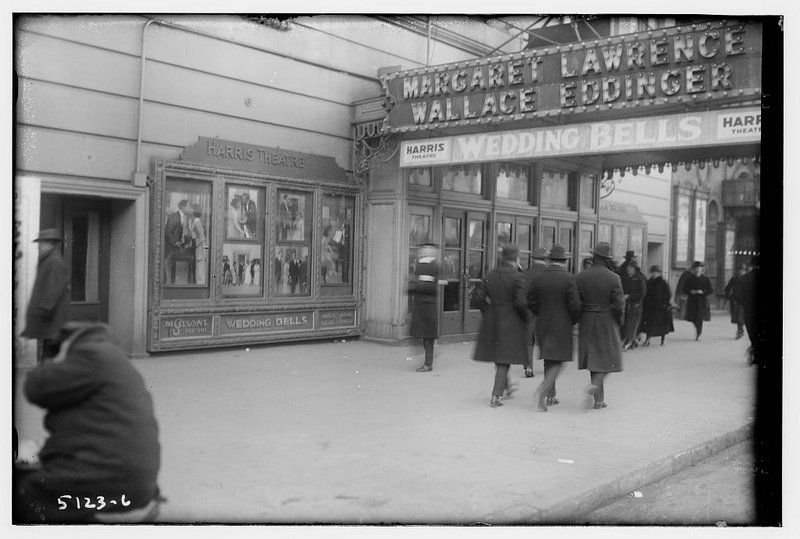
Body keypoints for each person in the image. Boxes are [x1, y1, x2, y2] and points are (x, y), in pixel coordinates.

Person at [14, 322, 161, 523]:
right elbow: (88, 427)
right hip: (138, 485)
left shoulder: (87, 354)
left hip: (106, 484)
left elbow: (35, 388)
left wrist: (57, 359)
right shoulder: (111, 357)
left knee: (20, 493)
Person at [525, 244, 581, 411]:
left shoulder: (539, 277)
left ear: (549, 260)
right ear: (564, 261)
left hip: (542, 323)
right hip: (562, 324)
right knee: (559, 361)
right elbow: (575, 305)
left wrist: (540, 313)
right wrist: (572, 320)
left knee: (549, 359)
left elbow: (531, 301)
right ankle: (543, 391)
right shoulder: (569, 278)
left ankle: (551, 395)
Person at [472, 244, 528, 407]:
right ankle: (496, 395)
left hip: (492, 317)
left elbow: (477, 298)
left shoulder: (490, 275)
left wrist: (488, 311)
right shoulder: (518, 277)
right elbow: (520, 302)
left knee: (501, 354)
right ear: (516, 259)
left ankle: (507, 386)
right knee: (504, 357)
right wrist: (524, 318)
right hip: (511, 319)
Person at [575, 242, 625, 410]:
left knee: (594, 359)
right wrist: (619, 322)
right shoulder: (613, 278)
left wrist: (579, 317)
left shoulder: (581, 276)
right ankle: (594, 387)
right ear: (607, 259)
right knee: (611, 357)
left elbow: (575, 302)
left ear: (593, 257)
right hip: (606, 319)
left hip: (587, 319)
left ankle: (598, 400)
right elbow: (619, 305)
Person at [21, 228, 71, 362]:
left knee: (50, 350)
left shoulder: (53, 261)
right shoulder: (49, 259)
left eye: (42, 243)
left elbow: (54, 288)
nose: (39, 247)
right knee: (49, 348)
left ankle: (48, 373)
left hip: (52, 316)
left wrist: (45, 308)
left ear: (51, 244)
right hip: (50, 315)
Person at [409, 243, 441, 372]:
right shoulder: (422, 264)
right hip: (423, 304)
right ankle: (428, 362)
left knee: (428, 336)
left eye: (425, 249)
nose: (421, 251)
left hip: (427, 305)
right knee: (425, 335)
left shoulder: (432, 266)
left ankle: (428, 363)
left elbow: (429, 287)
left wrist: (415, 286)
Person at [518, 247, 548, 378]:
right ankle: (548, 366)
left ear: (533, 259)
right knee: (546, 338)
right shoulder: (548, 274)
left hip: (528, 310)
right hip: (545, 311)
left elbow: (520, 295)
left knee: (528, 339)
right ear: (546, 259)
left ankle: (529, 367)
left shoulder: (525, 274)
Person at [639, 265, 675, 346]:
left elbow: (668, 294)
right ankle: (647, 339)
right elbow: (645, 293)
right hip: (650, 306)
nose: (654, 274)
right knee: (648, 324)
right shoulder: (649, 282)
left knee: (661, 325)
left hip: (660, 307)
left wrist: (663, 302)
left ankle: (662, 340)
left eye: (656, 272)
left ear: (659, 273)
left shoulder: (663, 283)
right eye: (653, 272)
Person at [682, 261, 713, 340]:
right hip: (692, 301)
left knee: (699, 317)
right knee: (692, 317)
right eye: (696, 268)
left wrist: (702, 292)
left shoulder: (705, 279)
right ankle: (698, 329)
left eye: (699, 268)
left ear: (702, 269)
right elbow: (684, 289)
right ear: (694, 269)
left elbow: (710, 290)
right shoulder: (689, 279)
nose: (698, 269)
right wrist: (690, 291)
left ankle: (699, 331)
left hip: (702, 301)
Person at [164, 200, 192, 284]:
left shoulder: (186, 217)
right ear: (183, 207)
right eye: (188, 206)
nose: (189, 208)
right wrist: (175, 242)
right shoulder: (174, 217)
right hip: (170, 248)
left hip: (178, 247)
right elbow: (167, 232)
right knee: (168, 270)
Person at [620, 262, 647, 350]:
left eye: (630, 268)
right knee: (627, 324)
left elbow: (642, 293)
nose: (628, 270)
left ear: (634, 269)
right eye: (628, 268)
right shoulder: (626, 278)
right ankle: (631, 341)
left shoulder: (639, 279)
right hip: (626, 304)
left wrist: (629, 296)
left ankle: (629, 341)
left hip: (635, 305)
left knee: (632, 324)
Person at [738, 256, 759, 365]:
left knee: (753, 333)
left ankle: (754, 352)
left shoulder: (744, 278)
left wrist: (745, 303)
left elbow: (739, 297)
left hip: (749, 310)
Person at [725, 265, 747, 339]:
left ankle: (740, 331)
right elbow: (728, 287)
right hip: (735, 300)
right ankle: (740, 330)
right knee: (738, 317)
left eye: (742, 270)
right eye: (739, 270)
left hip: (744, 300)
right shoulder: (734, 279)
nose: (740, 272)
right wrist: (728, 297)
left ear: (745, 271)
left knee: (741, 316)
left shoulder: (747, 279)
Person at [189, 205, 207, 286]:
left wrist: (194, 244)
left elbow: (202, 238)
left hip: (199, 249)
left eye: (191, 210)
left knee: (200, 271)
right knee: (198, 270)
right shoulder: (195, 222)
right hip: (197, 249)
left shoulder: (197, 223)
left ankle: (201, 286)